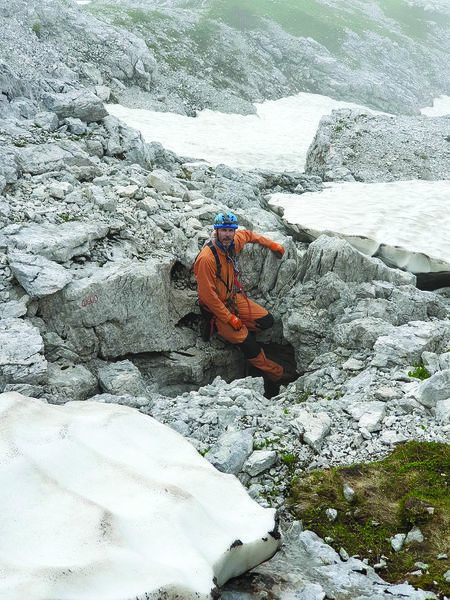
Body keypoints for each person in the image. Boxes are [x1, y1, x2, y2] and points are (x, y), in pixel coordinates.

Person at [194, 211, 295, 396]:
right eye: (223, 230)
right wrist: (229, 318)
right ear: (216, 231)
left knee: (266, 321)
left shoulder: (233, 243)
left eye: (230, 230)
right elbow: (208, 297)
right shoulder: (206, 258)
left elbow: (249, 235)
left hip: (233, 299)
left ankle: (245, 341)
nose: (227, 234)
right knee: (249, 344)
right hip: (218, 310)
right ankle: (276, 374)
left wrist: (271, 244)